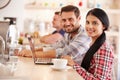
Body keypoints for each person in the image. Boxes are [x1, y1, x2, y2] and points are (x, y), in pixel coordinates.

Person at [17, 5, 91, 65]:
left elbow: (64, 52)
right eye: (64, 20)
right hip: (68, 69)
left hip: (78, 75)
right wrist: (32, 50)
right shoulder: (68, 34)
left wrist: (33, 54)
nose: (67, 23)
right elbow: (55, 46)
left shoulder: (84, 35)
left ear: (79, 18)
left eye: (70, 19)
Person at [62, 8, 114, 80]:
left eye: (95, 23)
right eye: (87, 22)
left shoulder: (103, 49)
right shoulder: (93, 43)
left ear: (103, 26)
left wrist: (74, 65)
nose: (89, 26)